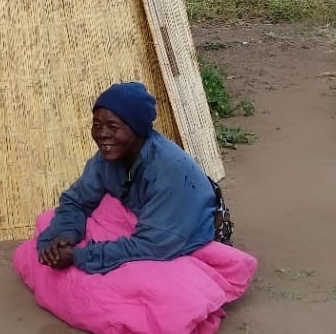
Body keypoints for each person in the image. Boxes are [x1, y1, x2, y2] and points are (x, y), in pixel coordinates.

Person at [36, 81, 218, 273]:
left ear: (136, 129)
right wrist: (64, 236)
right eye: (97, 125)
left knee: (136, 279)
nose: (102, 134)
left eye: (112, 126)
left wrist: (79, 256)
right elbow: (76, 201)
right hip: (146, 224)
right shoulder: (106, 159)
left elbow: (153, 245)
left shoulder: (169, 169)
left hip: (176, 234)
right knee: (47, 226)